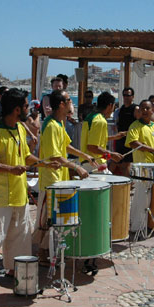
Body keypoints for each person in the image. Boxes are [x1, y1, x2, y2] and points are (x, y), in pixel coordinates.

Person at [0, 89, 60, 297]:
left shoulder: (20, 129)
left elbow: (26, 155)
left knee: (19, 239)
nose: (29, 109)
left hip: (19, 195)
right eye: (27, 105)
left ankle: (15, 273)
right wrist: (11, 169)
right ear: (16, 109)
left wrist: (44, 163)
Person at [35, 89, 95, 264]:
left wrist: (85, 156)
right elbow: (55, 155)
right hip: (50, 179)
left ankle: (51, 251)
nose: (72, 103)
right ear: (61, 104)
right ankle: (41, 253)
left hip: (59, 177)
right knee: (47, 219)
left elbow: (66, 146)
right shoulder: (51, 125)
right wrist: (76, 167)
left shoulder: (59, 123)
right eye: (69, 100)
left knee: (56, 218)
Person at [80, 91, 124, 172]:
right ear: (110, 105)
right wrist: (111, 154)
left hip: (88, 163)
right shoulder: (100, 121)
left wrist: (114, 137)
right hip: (94, 165)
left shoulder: (91, 116)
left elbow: (94, 139)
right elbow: (92, 147)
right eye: (114, 106)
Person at [112, 87, 139, 176]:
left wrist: (129, 133)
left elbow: (139, 126)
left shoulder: (136, 109)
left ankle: (129, 185)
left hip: (129, 140)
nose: (126, 97)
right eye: (124, 95)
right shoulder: (121, 109)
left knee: (125, 164)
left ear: (133, 97)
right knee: (116, 162)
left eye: (128, 95)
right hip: (120, 140)